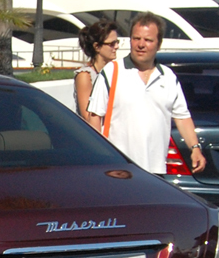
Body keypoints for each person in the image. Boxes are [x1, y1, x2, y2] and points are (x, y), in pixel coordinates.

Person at [86, 12, 206, 175]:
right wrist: (103, 157)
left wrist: (195, 148)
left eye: (148, 40)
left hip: (156, 171)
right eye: (136, 38)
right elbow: (94, 116)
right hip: (119, 169)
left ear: (158, 44)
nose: (141, 44)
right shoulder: (112, 72)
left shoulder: (168, 77)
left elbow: (182, 117)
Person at [74, 20, 120, 121]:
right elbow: (88, 117)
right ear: (97, 47)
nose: (117, 47)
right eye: (111, 44)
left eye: (117, 42)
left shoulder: (116, 72)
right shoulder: (85, 76)